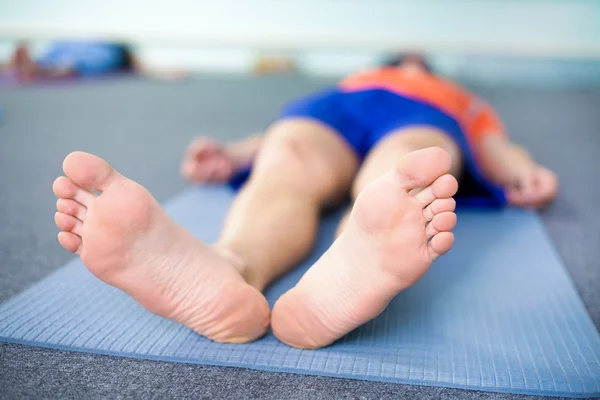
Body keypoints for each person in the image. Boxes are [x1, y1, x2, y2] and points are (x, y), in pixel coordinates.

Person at [52, 54, 558, 349]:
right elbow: (273, 137)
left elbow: (494, 145)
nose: (409, 63)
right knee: (287, 156)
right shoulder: (354, 80)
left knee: (403, 167)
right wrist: (231, 154)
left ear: (425, 66)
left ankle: (343, 265)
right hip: (331, 115)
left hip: (420, 118)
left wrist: (523, 172)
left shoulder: (456, 95)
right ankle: (230, 267)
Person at [4, 40, 185, 81]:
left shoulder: (116, 54)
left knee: (61, 65)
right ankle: (31, 67)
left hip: (105, 54)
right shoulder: (116, 54)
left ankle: (30, 67)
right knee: (62, 66)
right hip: (101, 55)